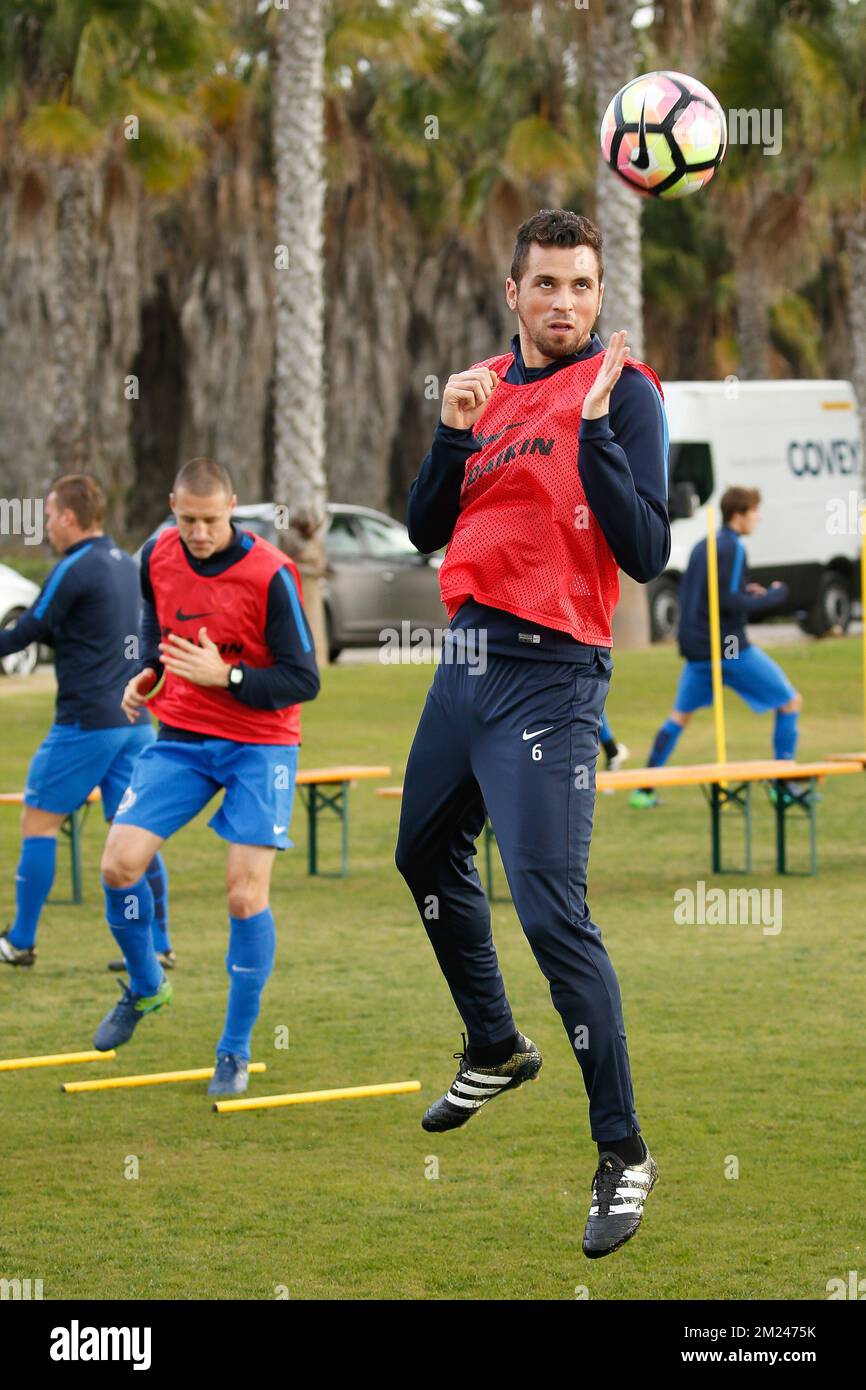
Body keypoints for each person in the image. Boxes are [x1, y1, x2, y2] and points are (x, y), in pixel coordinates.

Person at [395, 208, 670, 1259]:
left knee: (553, 917)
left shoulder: (627, 392)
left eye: (582, 287)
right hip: (466, 661)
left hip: (553, 677)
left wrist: (595, 428)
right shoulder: (483, 385)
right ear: (510, 292)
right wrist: (450, 430)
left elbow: (642, 549)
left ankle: (622, 1152)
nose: (564, 304)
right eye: (545, 285)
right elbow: (426, 526)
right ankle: (493, 1043)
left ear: (600, 295)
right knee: (420, 851)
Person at [91, 458, 319, 1098]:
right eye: (187, 519)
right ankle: (145, 985)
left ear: (233, 509)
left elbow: (305, 680)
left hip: (260, 742)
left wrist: (230, 677)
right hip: (184, 736)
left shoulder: (271, 573)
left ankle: (235, 1049)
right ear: (172, 506)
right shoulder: (155, 554)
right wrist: (147, 673)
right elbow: (154, 626)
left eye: (210, 521)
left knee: (245, 896)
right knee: (118, 865)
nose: (197, 532)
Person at [0, 475, 172, 968]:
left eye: (51, 516)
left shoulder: (73, 566)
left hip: (86, 723)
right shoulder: (124, 564)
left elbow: (29, 628)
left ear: (70, 518)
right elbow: (88, 636)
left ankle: (21, 941)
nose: (48, 526)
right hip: (135, 720)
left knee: (38, 821)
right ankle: (160, 944)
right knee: (134, 829)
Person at [630, 486, 798, 808]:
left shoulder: (704, 544)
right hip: (729, 648)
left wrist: (744, 590)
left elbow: (713, 593)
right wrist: (775, 595)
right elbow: (729, 602)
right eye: (754, 512)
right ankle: (783, 785)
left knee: (679, 717)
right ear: (739, 515)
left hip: (697, 650)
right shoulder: (732, 547)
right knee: (790, 703)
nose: (758, 518)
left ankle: (644, 789)